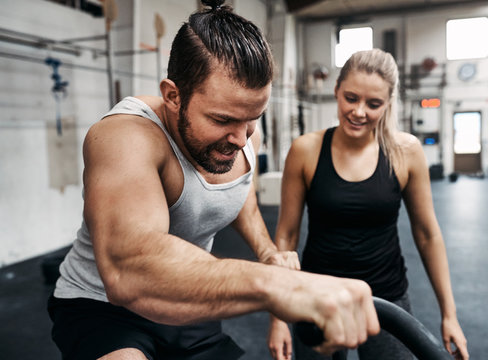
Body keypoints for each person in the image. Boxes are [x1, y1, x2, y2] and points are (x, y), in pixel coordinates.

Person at [47, 1, 381, 359]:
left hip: (185, 301)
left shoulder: (246, 134)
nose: (241, 138)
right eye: (223, 120)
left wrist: (267, 253)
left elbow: (240, 196)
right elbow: (128, 270)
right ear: (173, 96)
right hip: (103, 308)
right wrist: (279, 285)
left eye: (253, 116)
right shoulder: (125, 138)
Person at [267, 48, 469, 360]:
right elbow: (286, 236)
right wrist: (279, 317)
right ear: (336, 90)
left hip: (386, 295)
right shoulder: (305, 150)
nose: (359, 111)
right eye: (351, 98)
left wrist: (449, 314)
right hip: (317, 296)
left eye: (373, 104)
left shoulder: (406, 152)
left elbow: (428, 234)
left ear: (388, 104)